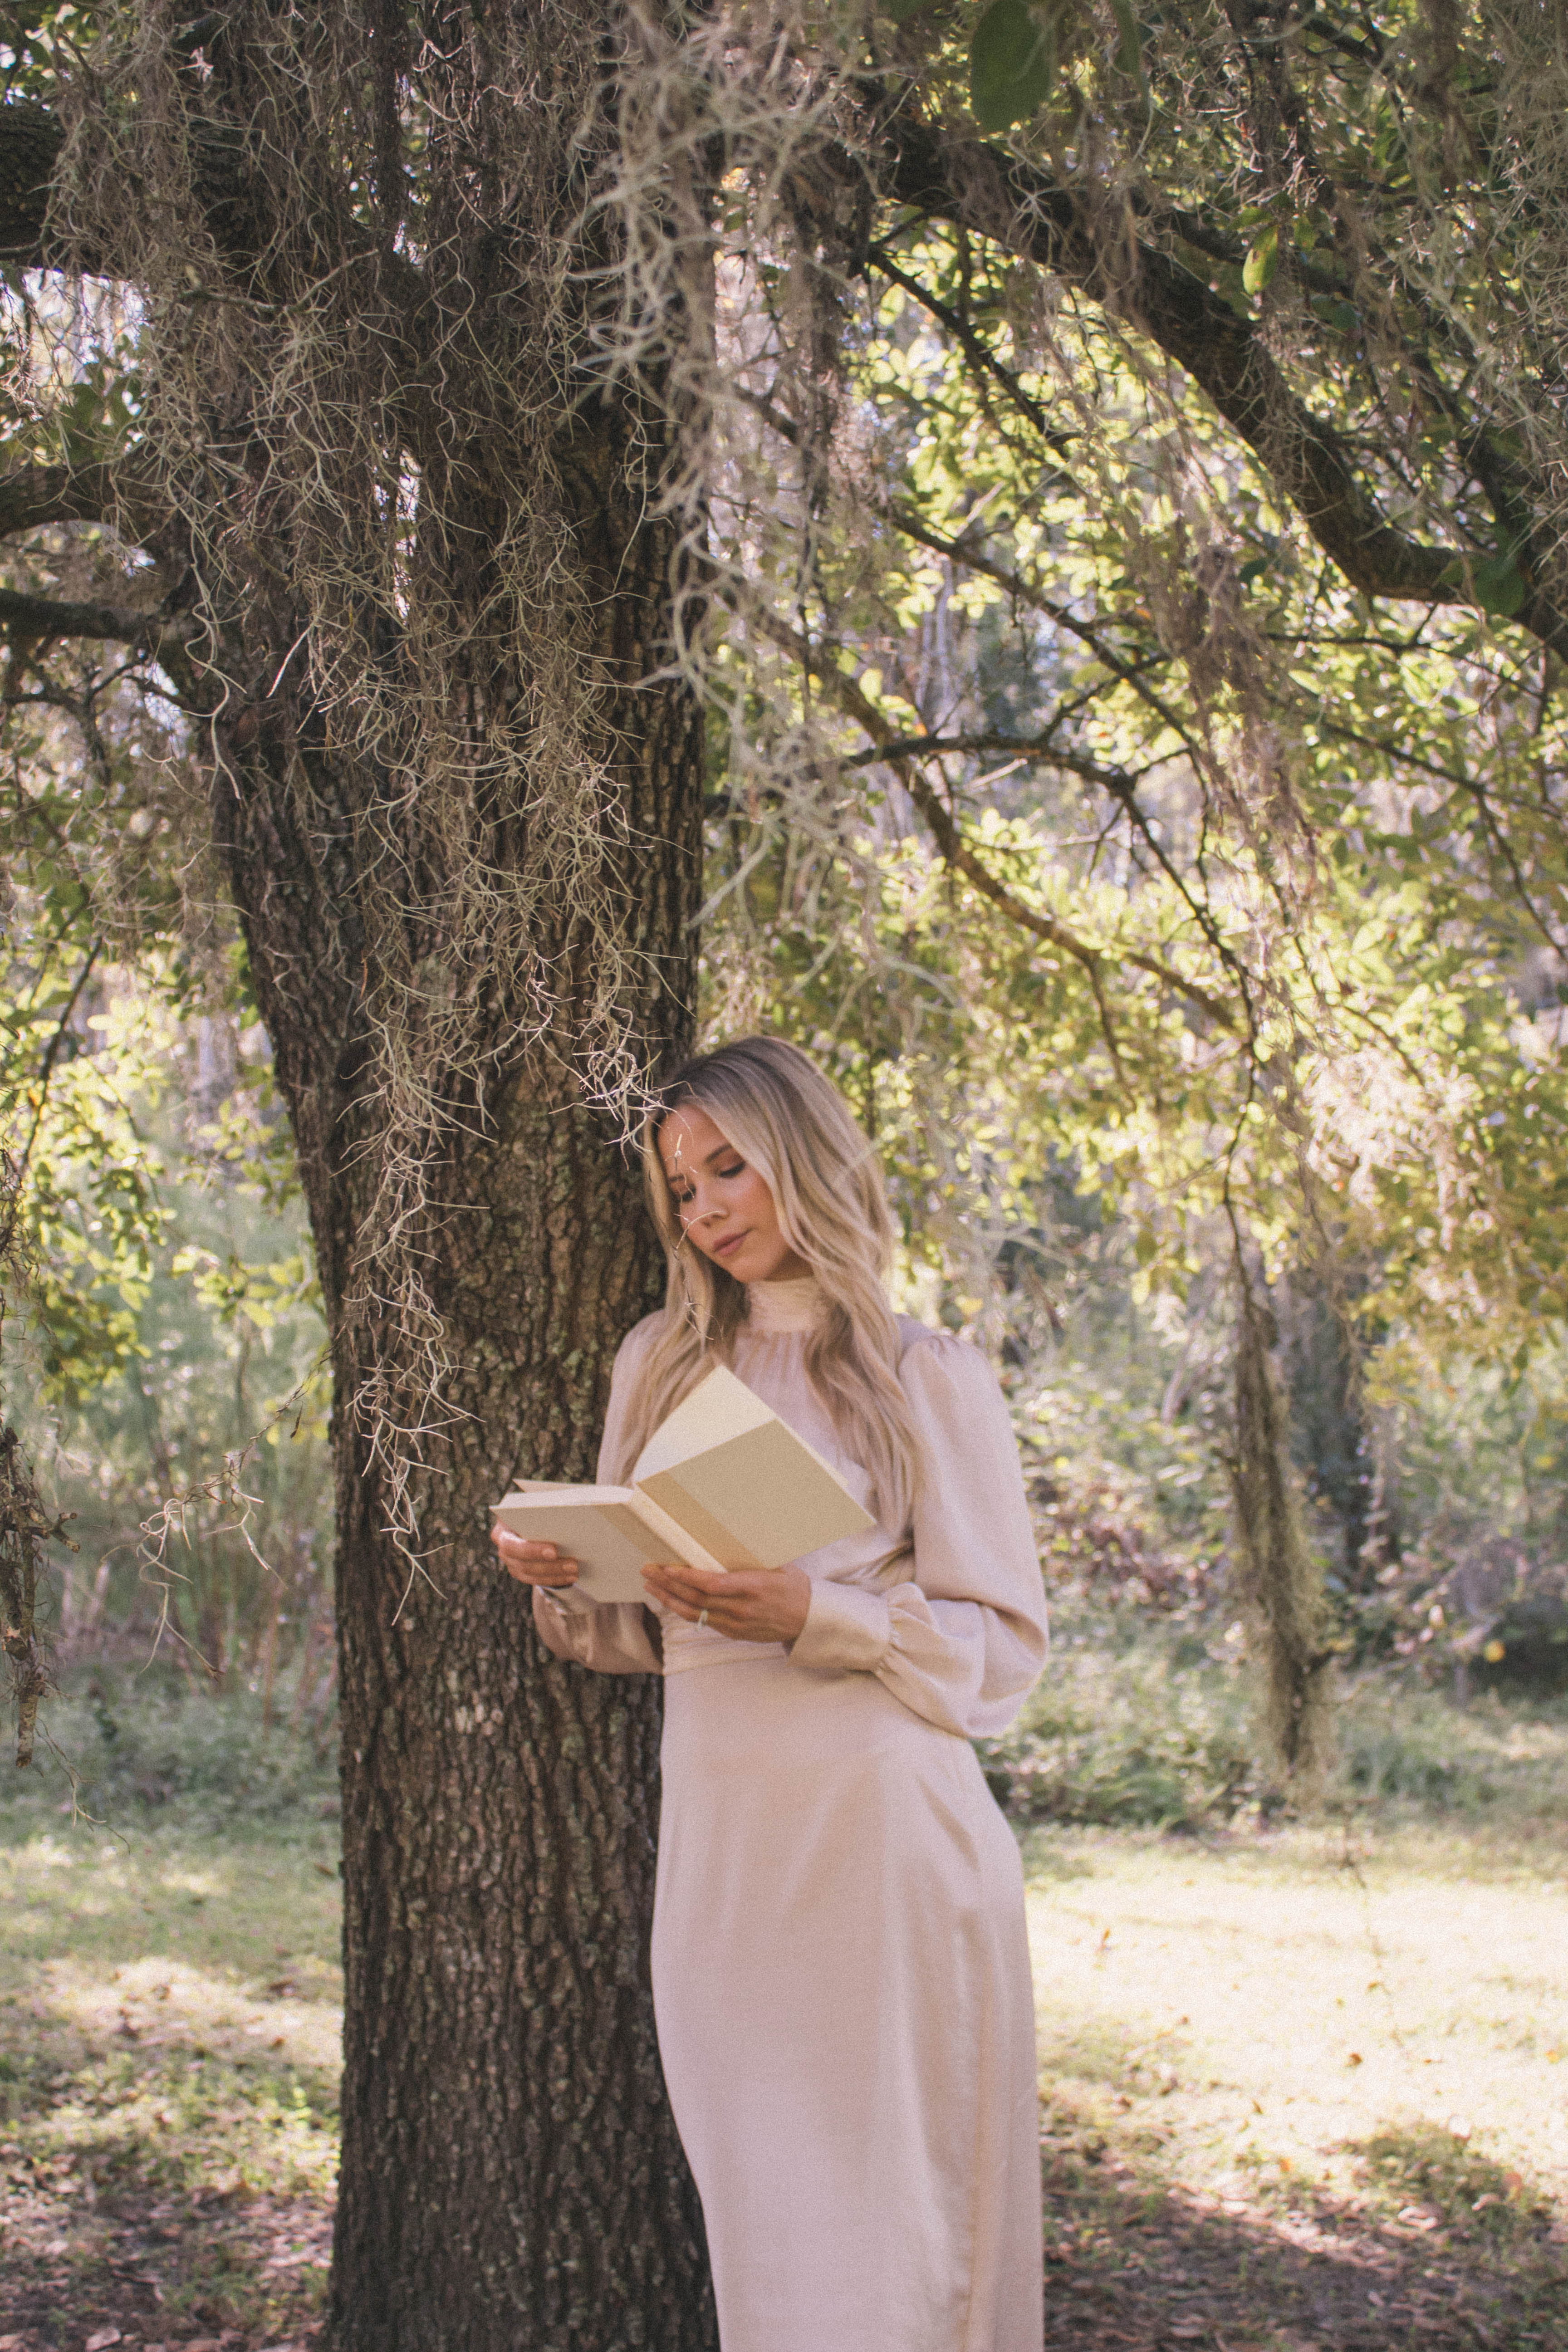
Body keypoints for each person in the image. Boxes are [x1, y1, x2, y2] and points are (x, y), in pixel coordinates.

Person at [492, 1036, 1049, 2352]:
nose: (709, 1211)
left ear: (806, 1152)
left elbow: (1006, 1652)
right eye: (684, 1188)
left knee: (903, 2242)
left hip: (887, 1850)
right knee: (773, 2236)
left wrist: (819, 1612)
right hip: (728, 1866)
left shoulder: (926, 1375)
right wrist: (566, 1575)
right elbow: (635, 1634)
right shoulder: (663, 1365)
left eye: (731, 1167)